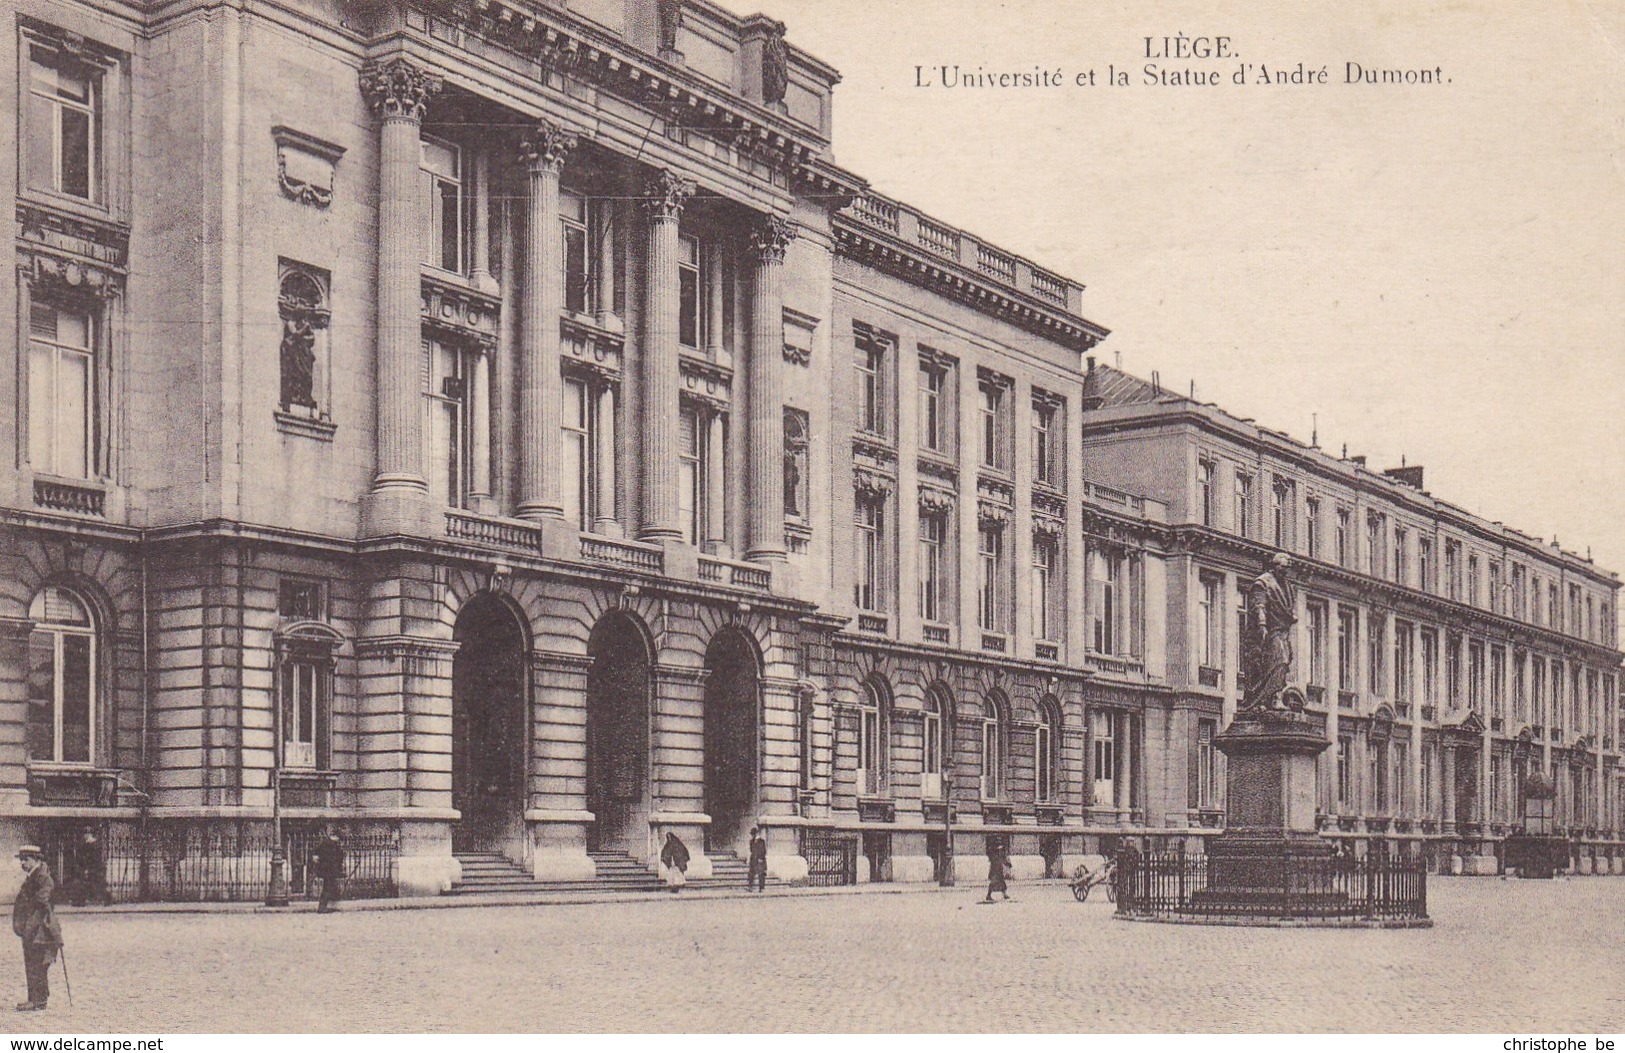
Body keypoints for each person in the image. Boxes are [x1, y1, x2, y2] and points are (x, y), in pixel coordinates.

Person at [12, 845, 62, 1012]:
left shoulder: (43, 877)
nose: (23, 863)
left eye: (26, 859)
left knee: (37, 963)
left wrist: (29, 923)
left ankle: (37, 1000)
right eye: (21, 859)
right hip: (32, 927)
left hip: (39, 928)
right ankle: (36, 998)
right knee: (33, 962)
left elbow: (42, 901)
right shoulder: (33, 875)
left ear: (36, 859)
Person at [310, 832, 345, 913]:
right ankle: (322, 907)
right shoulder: (332, 845)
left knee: (330, 887)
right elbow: (338, 857)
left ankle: (325, 906)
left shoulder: (325, 843)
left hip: (326, 870)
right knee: (327, 888)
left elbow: (316, 856)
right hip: (330, 870)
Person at [747, 827, 768, 892]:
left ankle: (761, 888)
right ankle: (750, 887)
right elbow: (751, 850)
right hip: (753, 860)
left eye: (753, 834)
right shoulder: (751, 841)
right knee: (751, 873)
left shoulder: (761, 841)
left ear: (756, 834)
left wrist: (760, 858)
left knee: (761, 874)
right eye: (752, 834)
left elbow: (763, 851)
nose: (752, 836)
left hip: (760, 860)